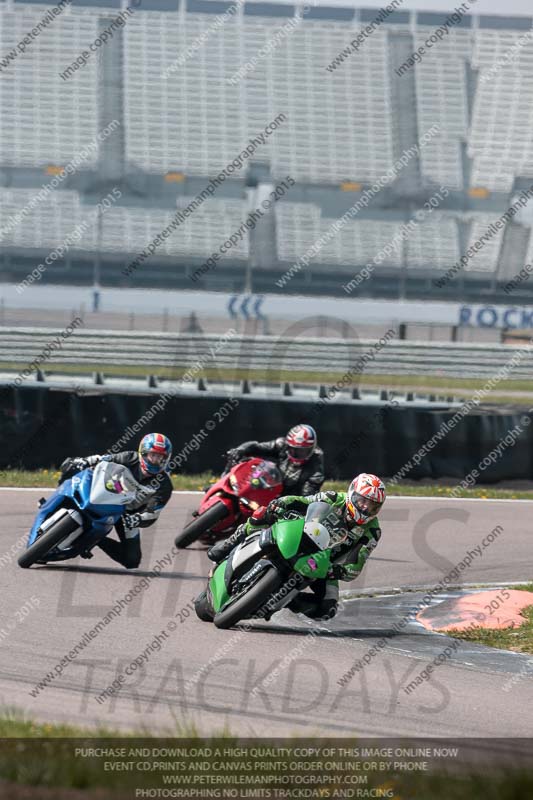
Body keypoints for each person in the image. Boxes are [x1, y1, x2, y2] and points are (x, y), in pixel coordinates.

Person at [208, 473, 385, 621]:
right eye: (362, 501)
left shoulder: (372, 531)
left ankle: (288, 600)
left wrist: (339, 571)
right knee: (263, 513)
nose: (365, 507)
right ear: (352, 493)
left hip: (324, 564)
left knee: (327, 610)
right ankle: (228, 544)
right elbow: (302, 501)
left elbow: (357, 563)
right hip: (303, 536)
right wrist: (281, 504)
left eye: (372, 505)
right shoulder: (333, 498)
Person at [57, 433, 173, 569]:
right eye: (152, 455)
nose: (155, 460)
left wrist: (137, 519)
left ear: (166, 459)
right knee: (72, 466)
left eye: (160, 457)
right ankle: (56, 502)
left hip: (128, 515)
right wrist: (88, 461)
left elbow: (153, 512)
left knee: (132, 560)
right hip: (108, 493)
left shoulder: (164, 485)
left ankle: (94, 540)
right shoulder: (130, 458)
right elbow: (105, 459)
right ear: (144, 453)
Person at [224, 424, 324, 496]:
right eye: (293, 449)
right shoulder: (282, 444)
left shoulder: (316, 469)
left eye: (303, 451)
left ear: (312, 449)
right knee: (237, 459)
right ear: (288, 445)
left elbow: (306, 496)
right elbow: (257, 447)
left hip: (288, 498)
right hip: (271, 482)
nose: (297, 454)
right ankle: (222, 484)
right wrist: (240, 450)